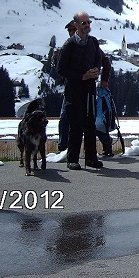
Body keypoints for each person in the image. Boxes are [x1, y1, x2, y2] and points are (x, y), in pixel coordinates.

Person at [57, 12, 107, 171]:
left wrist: (96, 71)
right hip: (74, 89)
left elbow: (99, 59)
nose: (87, 26)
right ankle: (73, 159)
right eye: (83, 23)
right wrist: (81, 76)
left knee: (90, 123)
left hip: (90, 89)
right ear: (76, 25)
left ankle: (91, 158)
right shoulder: (69, 45)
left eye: (88, 23)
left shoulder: (93, 42)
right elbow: (61, 69)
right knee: (76, 124)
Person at [53, 20, 77, 154]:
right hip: (69, 88)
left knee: (86, 119)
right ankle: (63, 148)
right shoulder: (66, 47)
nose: (71, 33)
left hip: (83, 88)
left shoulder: (87, 45)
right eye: (70, 31)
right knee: (64, 118)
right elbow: (61, 70)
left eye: (73, 30)